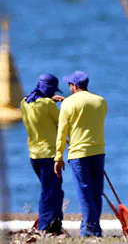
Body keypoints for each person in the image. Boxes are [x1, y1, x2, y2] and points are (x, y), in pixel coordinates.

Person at [54, 71, 107, 237]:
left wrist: (58, 157)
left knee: (84, 192)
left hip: (78, 153)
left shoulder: (68, 104)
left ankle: (90, 230)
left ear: (74, 86)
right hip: (98, 151)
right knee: (96, 191)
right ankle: (92, 228)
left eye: (69, 85)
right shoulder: (101, 101)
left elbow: (62, 133)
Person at [20, 73, 65, 235]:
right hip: (49, 155)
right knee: (49, 191)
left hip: (34, 155)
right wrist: (64, 104)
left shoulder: (24, 103)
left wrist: (49, 101)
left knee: (54, 189)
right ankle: (46, 225)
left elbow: (39, 109)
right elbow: (62, 121)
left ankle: (55, 224)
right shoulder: (48, 105)